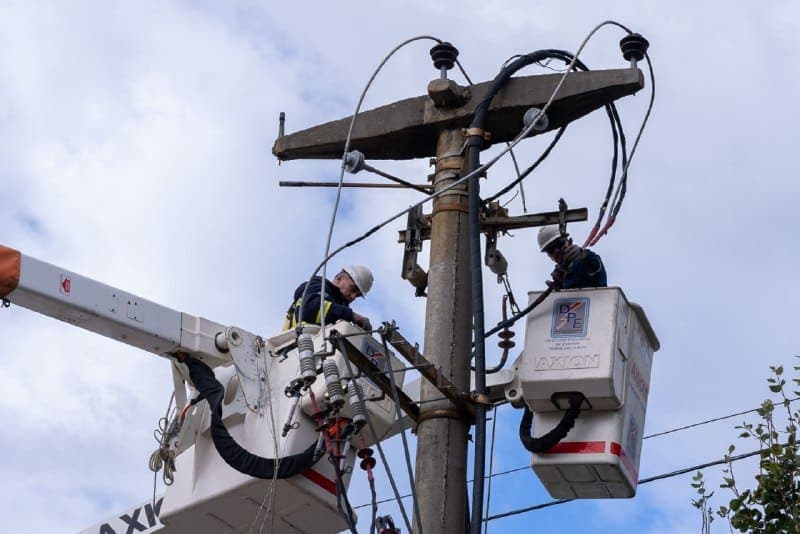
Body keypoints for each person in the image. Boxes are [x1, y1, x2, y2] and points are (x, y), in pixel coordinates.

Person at [283, 265, 374, 331]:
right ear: (340, 278)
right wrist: (352, 316)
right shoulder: (318, 285)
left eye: (357, 296)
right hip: (297, 346)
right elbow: (308, 309)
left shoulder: (343, 311)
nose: (353, 296)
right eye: (353, 289)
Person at [537, 226, 607, 290]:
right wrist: (558, 291)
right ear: (549, 256)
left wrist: (583, 255)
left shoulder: (585, 259)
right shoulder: (560, 274)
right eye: (551, 250)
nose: (556, 251)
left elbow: (594, 264)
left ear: (569, 242)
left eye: (559, 244)